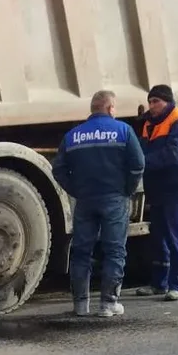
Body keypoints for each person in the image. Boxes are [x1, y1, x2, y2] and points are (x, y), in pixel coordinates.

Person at [52, 90, 145, 318]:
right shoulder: (123, 131)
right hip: (114, 198)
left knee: (81, 251)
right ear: (111, 108)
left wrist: (76, 190)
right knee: (114, 251)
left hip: (85, 200)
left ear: (93, 108)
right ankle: (108, 304)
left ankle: (80, 305)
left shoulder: (73, 135)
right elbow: (138, 164)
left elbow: (58, 169)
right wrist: (128, 189)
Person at [135, 84, 178, 301]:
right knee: (158, 236)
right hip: (158, 188)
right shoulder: (149, 124)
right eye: (150, 101)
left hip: (177, 188)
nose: (152, 106)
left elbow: (173, 153)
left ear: (168, 102)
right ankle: (159, 283)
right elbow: (142, 148)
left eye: (156, 101)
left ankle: (177, 284)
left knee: (176, 236)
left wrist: (141, 163)